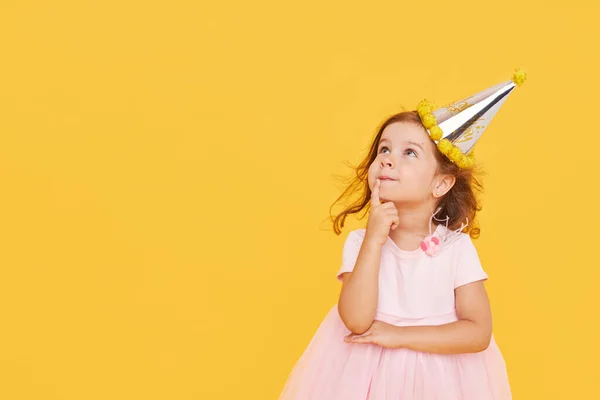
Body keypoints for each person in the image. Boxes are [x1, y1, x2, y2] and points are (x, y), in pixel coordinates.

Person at [278, 70, 527, 399]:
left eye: (409, 153)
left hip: (441, 381)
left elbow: (478, 332)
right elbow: (355, 320)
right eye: (384, 149)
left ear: (441, 183)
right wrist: (374, 239)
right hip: (363, 377)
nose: (388, 160)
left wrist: (399, 335)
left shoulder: (455, 249)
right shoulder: (361, 243)